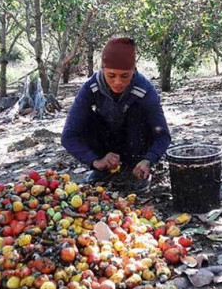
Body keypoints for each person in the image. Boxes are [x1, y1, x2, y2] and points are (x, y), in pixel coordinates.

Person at [61, 37, 171, 188]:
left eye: (125, 76)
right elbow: (68, 136)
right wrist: (94, 160)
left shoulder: (145, 89)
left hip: (136, 144)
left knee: (138, 112)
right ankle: (102, 168)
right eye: (111, 75)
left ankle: (138, 167)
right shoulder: (89, 88)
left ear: (134, 70)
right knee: (84, 118)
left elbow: (163, 135)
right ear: (102, 69)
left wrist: (149, 159)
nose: (118, 82)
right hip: (105, 143)